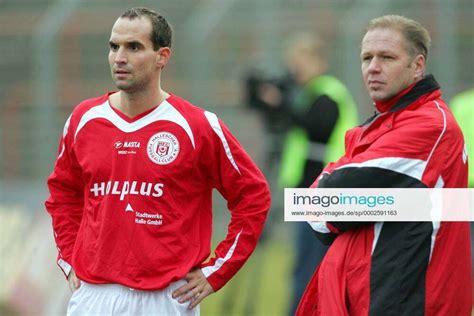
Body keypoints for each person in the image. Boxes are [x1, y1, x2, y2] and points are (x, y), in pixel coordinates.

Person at [45, 7, 270, 316]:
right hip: (93, 296)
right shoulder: (84, 119)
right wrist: (70, 258)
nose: (119, 57)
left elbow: (253, 196)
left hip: (166, 298)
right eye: (114, 46)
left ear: (162, 56)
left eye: (134, 47)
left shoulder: (198, 126)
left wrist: (217, 269)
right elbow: (62, 194)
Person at [296, 15, 472, 315]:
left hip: (403, 301)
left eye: (387, 57)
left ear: (417, 66)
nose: (373, 67)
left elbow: (319, 208)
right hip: (371, 296)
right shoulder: (385, 124)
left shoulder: (427, 124)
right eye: (367, 58)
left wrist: (338, 186)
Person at [275, 33, 359, 315]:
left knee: (310, 263)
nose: (295, 69)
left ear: (317, 61)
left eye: (300, 62)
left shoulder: (327, 93)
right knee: (305, 260)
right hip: (310, 189)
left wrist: (283, 103)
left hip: (324, 190)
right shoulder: (311, 92)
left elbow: (317, 129)